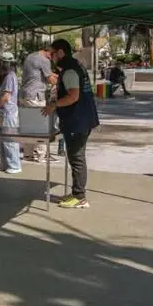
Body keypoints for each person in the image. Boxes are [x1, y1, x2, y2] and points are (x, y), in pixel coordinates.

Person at [43, 39, 99, 209]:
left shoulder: (69, 71)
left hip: (77, 120)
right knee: (76, 157)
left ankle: (80, 196)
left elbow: (73, 96)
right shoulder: (76, 66)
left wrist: (54, 104)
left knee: (77, 158)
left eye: (52, 54)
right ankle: (76, 193)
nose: (50, 57)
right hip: (83, 118)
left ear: (60, 53)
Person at [19, 43, 58, 162]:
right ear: (50, 52)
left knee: (28, 126)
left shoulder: (31, 56)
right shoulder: (44, 60)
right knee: (41, 125)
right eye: (54, 55)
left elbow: (42, 74)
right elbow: (51, 79)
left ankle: (28, 153)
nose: (54, 58)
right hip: (36, 96)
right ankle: (41, 154)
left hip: (25, 95)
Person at [0, 52, 21, 173]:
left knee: (10, 140)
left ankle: (14, 165)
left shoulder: (10, 76)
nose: (5, 64)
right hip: (5, 113)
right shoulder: (7, 76)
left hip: (9, 113)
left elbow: (6, 96)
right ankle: (4, 164)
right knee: (2, 140)